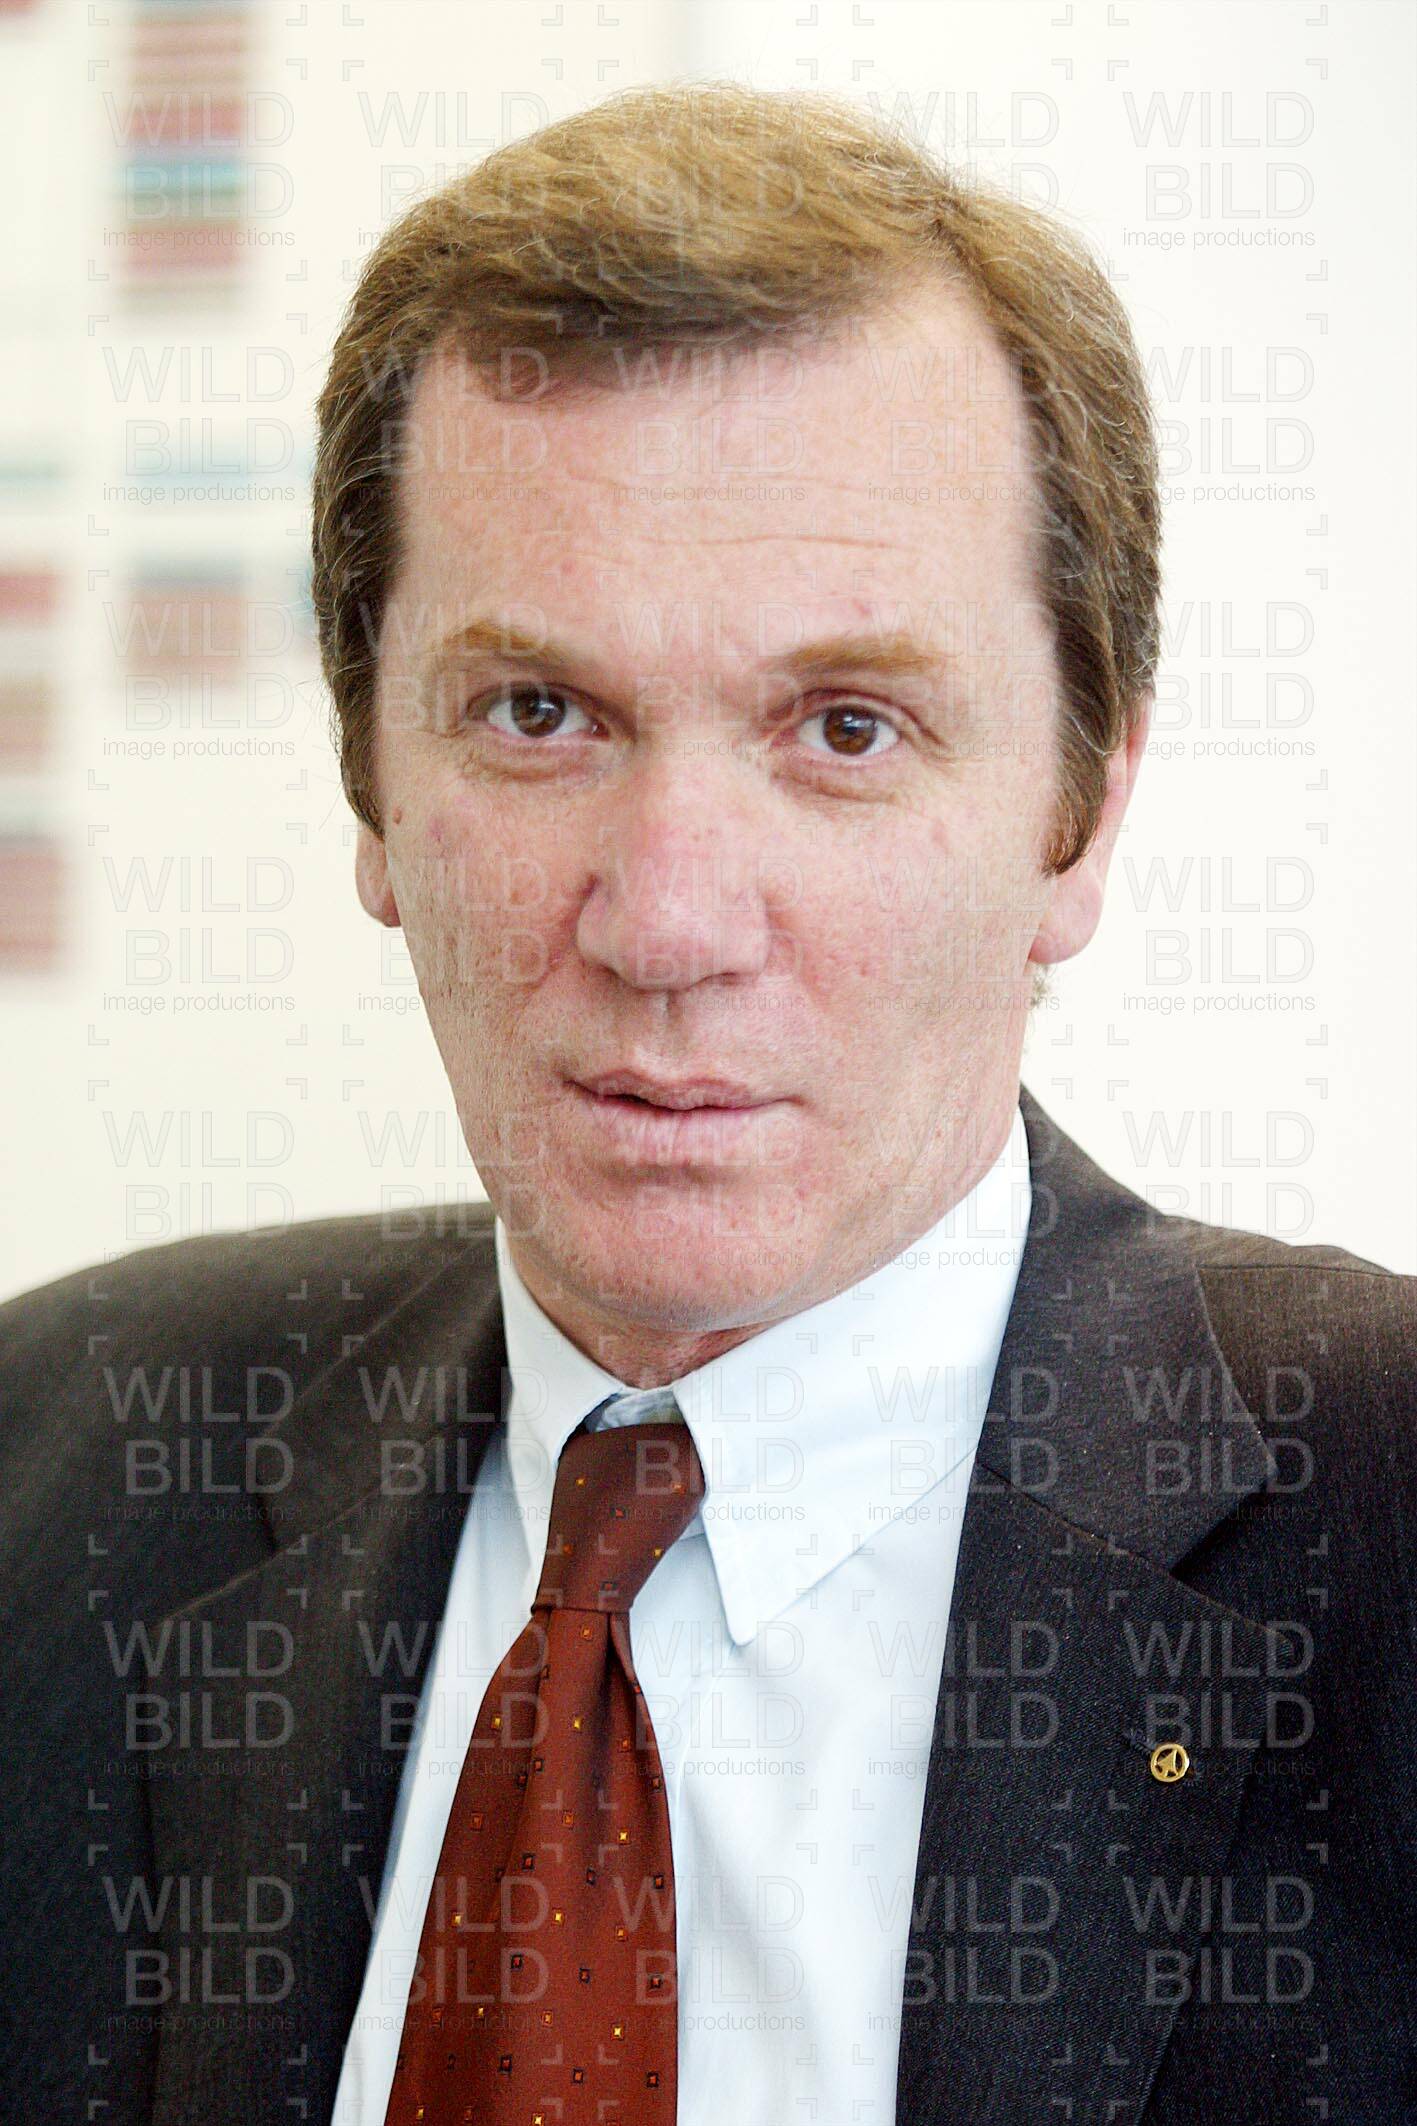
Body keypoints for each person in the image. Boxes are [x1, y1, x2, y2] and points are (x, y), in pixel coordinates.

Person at [1, 80, 1412, 2126]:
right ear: (367, 781)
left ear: (1079, 811)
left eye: (843, 728)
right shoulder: (55, 1475)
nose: (666, 920)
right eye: (537, 712)